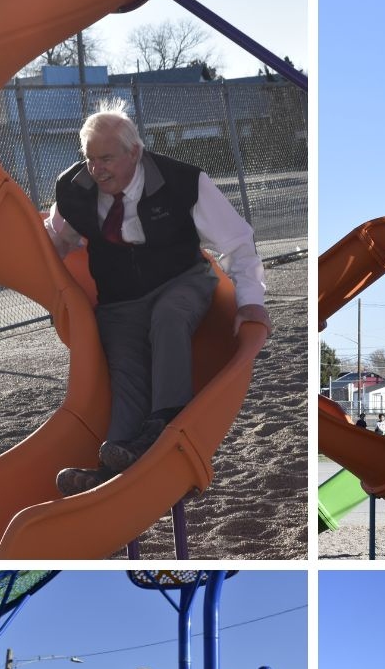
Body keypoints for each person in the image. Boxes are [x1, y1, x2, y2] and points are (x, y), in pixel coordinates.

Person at [47, 100, 272, 495]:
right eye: (89, 159)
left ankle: (167, 420)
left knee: (168, 316)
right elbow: (54, 241)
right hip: (120, 297)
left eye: (107, 158)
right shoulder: (75, 189)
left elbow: (237, 242)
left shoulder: (182, 181)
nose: (97, 169)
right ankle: (113, 462)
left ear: (135, 152)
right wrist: (51, 291)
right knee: (124, 361)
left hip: (182, 280)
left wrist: (251, 300)